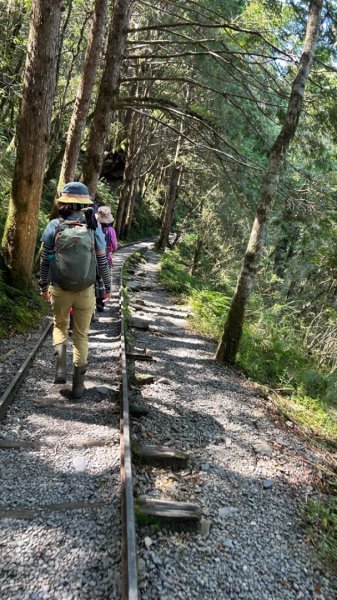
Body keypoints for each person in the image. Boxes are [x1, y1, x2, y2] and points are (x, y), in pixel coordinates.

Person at [39, 182, 111, 399]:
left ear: (64, 202)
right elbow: (101, 260)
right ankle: (78, 387)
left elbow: (44, 259)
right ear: (84, 204)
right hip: (85, 291)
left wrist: (43, 286)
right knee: (81, 335)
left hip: (59, 288)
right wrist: (107, 287)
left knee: (60, 325)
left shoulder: (54, 225)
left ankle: (60, 369)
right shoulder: (93, 226)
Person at [95, 205, 118, 312]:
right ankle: (101, 302)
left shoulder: (94, 226)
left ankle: (94, 301)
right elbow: (115, 246)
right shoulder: (111, 230)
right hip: (106, 257)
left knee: (95, 279)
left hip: (92, 257)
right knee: (104, 278)